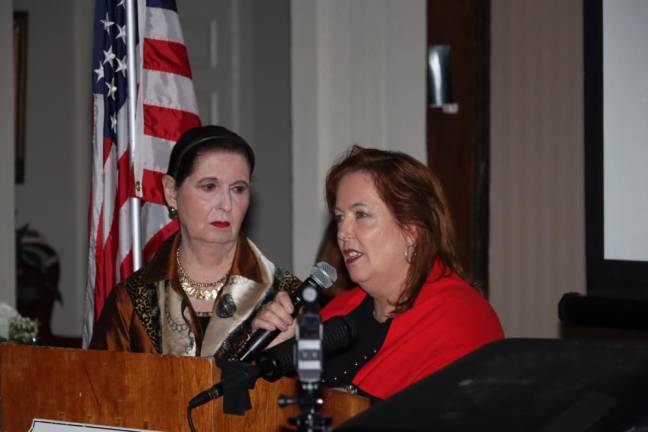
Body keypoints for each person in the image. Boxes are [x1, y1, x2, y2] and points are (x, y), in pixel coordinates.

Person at [252, 145, 504, 399]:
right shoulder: (337, 313)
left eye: (361, 215)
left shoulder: (460, 316)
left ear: (411, 230)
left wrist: (343, 405)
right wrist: (280, 356)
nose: (342, 233)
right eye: (340, 217)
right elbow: (288, 412)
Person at [90, 126, 300, 359]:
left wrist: (281, 355)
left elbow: (315, 388)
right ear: (171, 192)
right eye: (209, 186)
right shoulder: (130, 302)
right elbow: (99, 391)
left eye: (238, 189)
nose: (226, 205)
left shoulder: (288, 297)